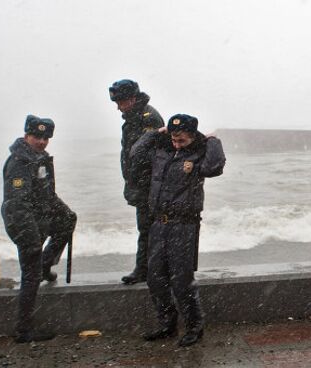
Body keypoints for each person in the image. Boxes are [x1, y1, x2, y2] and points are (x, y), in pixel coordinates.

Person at [130, 114, 225, 347]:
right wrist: (154, 133)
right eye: (174, 139)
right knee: (155, 278)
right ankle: (167, 324)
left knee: (181, 280)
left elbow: (215, 166)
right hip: (158, 224)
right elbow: (135, 154)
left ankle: (194, 326)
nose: (176, 143)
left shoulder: (198, 155)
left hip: (184, 225)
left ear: (192, 136)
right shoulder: (161, 151)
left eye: (181, 140)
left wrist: (213, 140)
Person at [1, 115, 77, 343]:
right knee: (30, 276)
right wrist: (31, 238)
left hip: (40, 218)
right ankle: (23, 330)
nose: (42, 142)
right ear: (27, 135)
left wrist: (65, 212)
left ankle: (47, 264)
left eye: (46, 138)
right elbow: (18, 204)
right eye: (37, 137)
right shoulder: (19, 161)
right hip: (23, 224)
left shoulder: (40, 158)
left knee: (67, 222)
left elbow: (46, 193)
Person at [109, 79, 165, 285]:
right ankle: (150, 268)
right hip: (141, 183)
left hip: (149, 184)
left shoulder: (148, 118)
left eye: (120, 102)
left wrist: (142, 182)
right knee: (147, 228)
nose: (117, 107)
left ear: (131, 99)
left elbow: (146, 154)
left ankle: (144, 270)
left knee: (147, 228)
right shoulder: (134, 118)